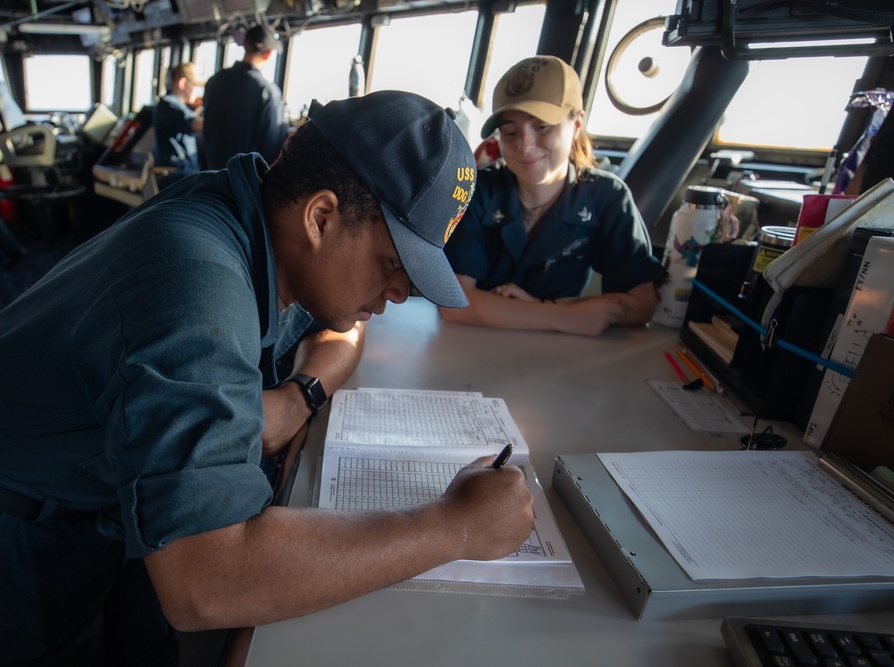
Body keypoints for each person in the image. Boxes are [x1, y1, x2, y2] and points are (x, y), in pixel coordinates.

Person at [0, 90, 534, 664]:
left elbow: (343, 330)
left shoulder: (265, 228)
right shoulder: (195, 283)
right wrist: (454, 528)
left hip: (116, 506)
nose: (401, 294)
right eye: (394, 265)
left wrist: (298, 396)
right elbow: (207, 579)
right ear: (321, 216)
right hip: (29, 535)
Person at [441, 56, 664, 336]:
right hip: (468, 342)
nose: (525, 146)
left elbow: (642, 303)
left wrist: (546, 306)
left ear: (576, 124)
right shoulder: (477, 191)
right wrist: (564, 316)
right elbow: (455, 304)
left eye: (542, 126)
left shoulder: (606, 196)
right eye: (510, 132)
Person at [201, 23, 290, 170]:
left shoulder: (214, 81)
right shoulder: (268, 91)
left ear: (245, 45)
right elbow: (272, 146)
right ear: (268, 54)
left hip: (211, 176)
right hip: (243, 182)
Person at [153, 62, 204, 187]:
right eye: (195, 85)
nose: (197, 91)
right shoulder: (169, 104)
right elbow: (195, 125)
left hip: (182, 171)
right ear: (183, 83)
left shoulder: (177, 106)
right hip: (176, 174)